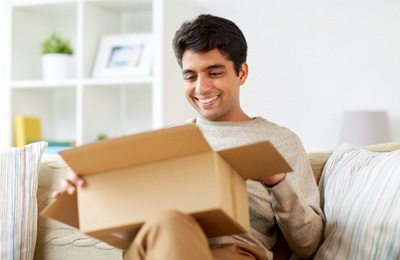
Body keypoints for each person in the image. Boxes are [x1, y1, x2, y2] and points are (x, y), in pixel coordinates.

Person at [54, 14, 324, 260]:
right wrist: (89, 194)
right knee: (169, 222)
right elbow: (128, 224)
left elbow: (310, 244)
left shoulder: (280, 141)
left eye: (214, 73)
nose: (202, 87)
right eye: (190, 76)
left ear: (241, 73)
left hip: (232, 253)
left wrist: (278, 183)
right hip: (155, 246)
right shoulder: (166, 142)